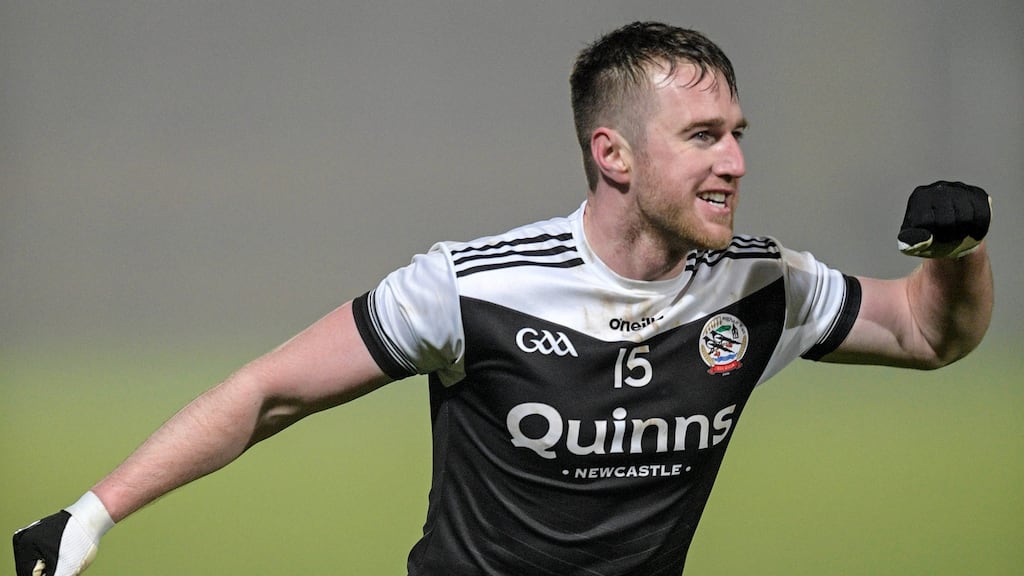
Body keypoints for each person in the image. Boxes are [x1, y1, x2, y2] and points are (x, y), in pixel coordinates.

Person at [13, 21, 993, 576]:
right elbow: (272, 391)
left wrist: (960, 251)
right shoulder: (472, 287)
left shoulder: (763, 283)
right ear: (611, 153)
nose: (734, 161)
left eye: (736, 132)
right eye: (701, 136)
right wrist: (90, 516)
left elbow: (924, 331)